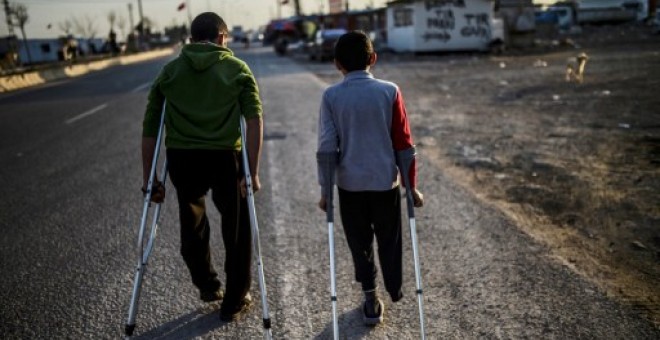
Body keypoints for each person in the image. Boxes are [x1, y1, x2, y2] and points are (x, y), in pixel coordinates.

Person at [141, 12, 263, 322]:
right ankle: (234, 300)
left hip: (183, 157)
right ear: (223, 37)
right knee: (236, 228)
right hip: (225, 156)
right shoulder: (237, 69)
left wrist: (150, 179)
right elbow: (254, 120)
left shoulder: (169, 72)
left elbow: (151, 127)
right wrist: (252, 171)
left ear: (192, 39)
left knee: (192, 219)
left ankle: (207, 284)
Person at [316, 30, 424, 326]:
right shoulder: (390, 91)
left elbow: (327, 148)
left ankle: (370, 298)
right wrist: (411, 186)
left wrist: (326, 191)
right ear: (373, 59)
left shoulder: (331, 96)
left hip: (349, 186)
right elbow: (403, 143)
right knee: (389, 239)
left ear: (337, 64)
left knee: (359, 242)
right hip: (384, 182)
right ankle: (394, 287)